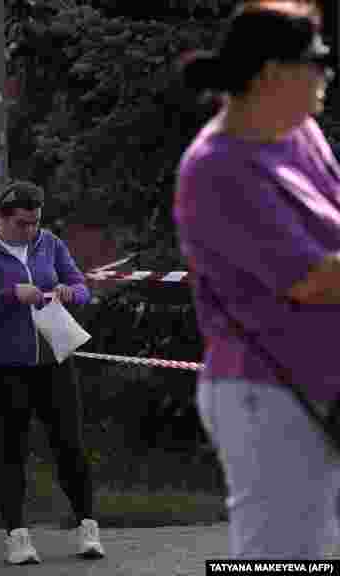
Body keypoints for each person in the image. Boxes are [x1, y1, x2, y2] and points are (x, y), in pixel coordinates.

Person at [175, 2, 340, 559]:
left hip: (315, 385)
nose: (327, 74)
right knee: (276, 558)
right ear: (273, 74)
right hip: (266, 395)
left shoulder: (301, 133)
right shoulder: (215, 166)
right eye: (316, 63)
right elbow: (314, 280)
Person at [0, 180, 103, 565]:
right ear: (2, 220)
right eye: (22, 223)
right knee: (11, 448)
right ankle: (16, 535)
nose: (30, 230)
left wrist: (72, 293)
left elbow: (80, 285)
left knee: (69, 444)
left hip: (53, 360)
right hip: (3, 366)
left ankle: (86, 525)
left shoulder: (49, 243)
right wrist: (11, 296)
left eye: (35, 222)